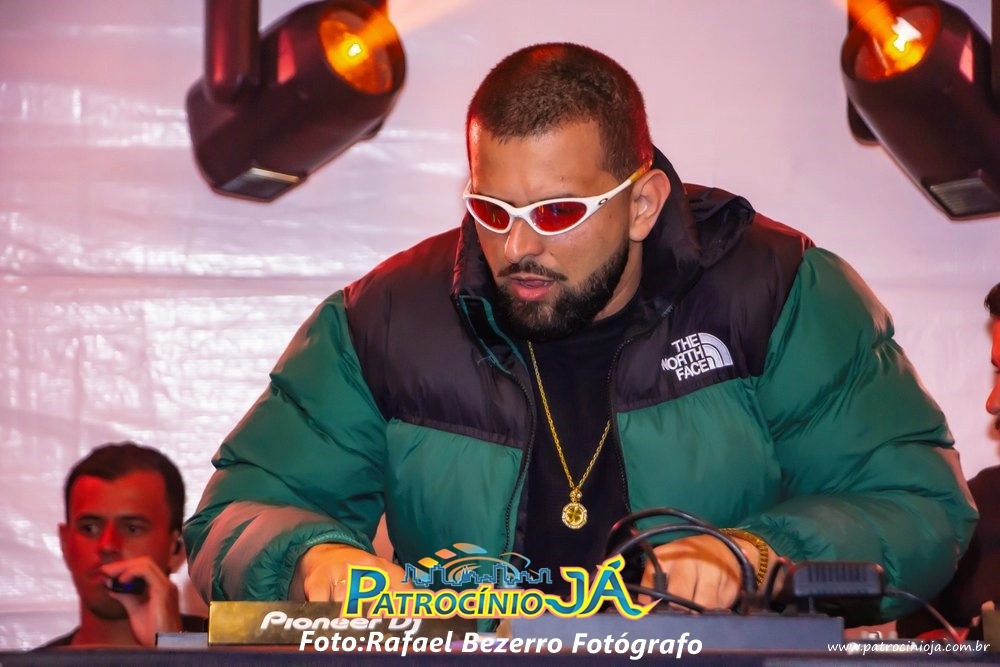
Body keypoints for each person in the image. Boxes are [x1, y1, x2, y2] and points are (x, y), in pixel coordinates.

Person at [185, 42, 976, 623]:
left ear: (642, 204)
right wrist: (310, 557)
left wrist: (754, 554)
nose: (518, 245)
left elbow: (918, 504)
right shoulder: (386, 317)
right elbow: (239, 510)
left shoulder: (778, 290)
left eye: (558, 211)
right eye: (491, 209)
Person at [897, 282, 1000, 638]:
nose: (993, 402)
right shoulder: (976, 507)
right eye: (998, 373)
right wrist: (953, 647)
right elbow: (917, 627)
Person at [42, 442, 203, 648]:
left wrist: (172, 645)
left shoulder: (232, 651)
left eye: (133, 528)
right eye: (90, 528)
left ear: (175, 548)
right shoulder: (28, 663)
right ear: (65, 543)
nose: (107, 545)